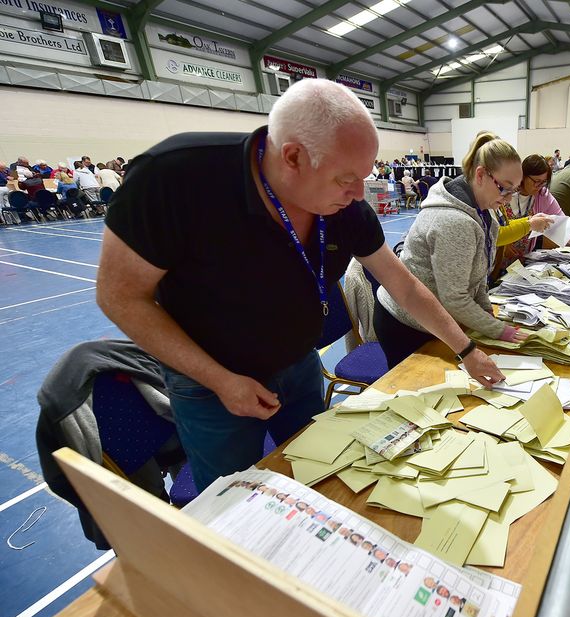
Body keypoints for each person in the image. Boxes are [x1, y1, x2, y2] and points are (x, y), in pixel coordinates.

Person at [97, 79, 504, 493]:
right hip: (211, 384)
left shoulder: (346, 207)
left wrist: (466, 350)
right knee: (234, 500)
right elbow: (119, 296)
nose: (359, 194)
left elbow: (405, 286)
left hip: (298, 366)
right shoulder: (175, 179)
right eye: (347, 178)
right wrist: (221, 380)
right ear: (292, 157)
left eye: (365, 177)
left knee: (319, 475)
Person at [374, 131, 527, 368]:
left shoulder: (486, 216)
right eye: (504, 188)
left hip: (437, 315)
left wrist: (487, 315)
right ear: (480, 175)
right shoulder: (454, 222)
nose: (508, 199)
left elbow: (477, 281)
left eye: (514, 190)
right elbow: (455, 298)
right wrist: (498, 330)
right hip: (405, 322)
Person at [496, 154, 570, 269]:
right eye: (536, 181)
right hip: (497, 256)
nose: (539, 186)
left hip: (520, 260)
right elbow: (494, 229)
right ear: (523, 175)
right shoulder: (504, 193)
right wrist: (504, 245)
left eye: (543, 182)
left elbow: (564, 225)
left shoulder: (543, 196)